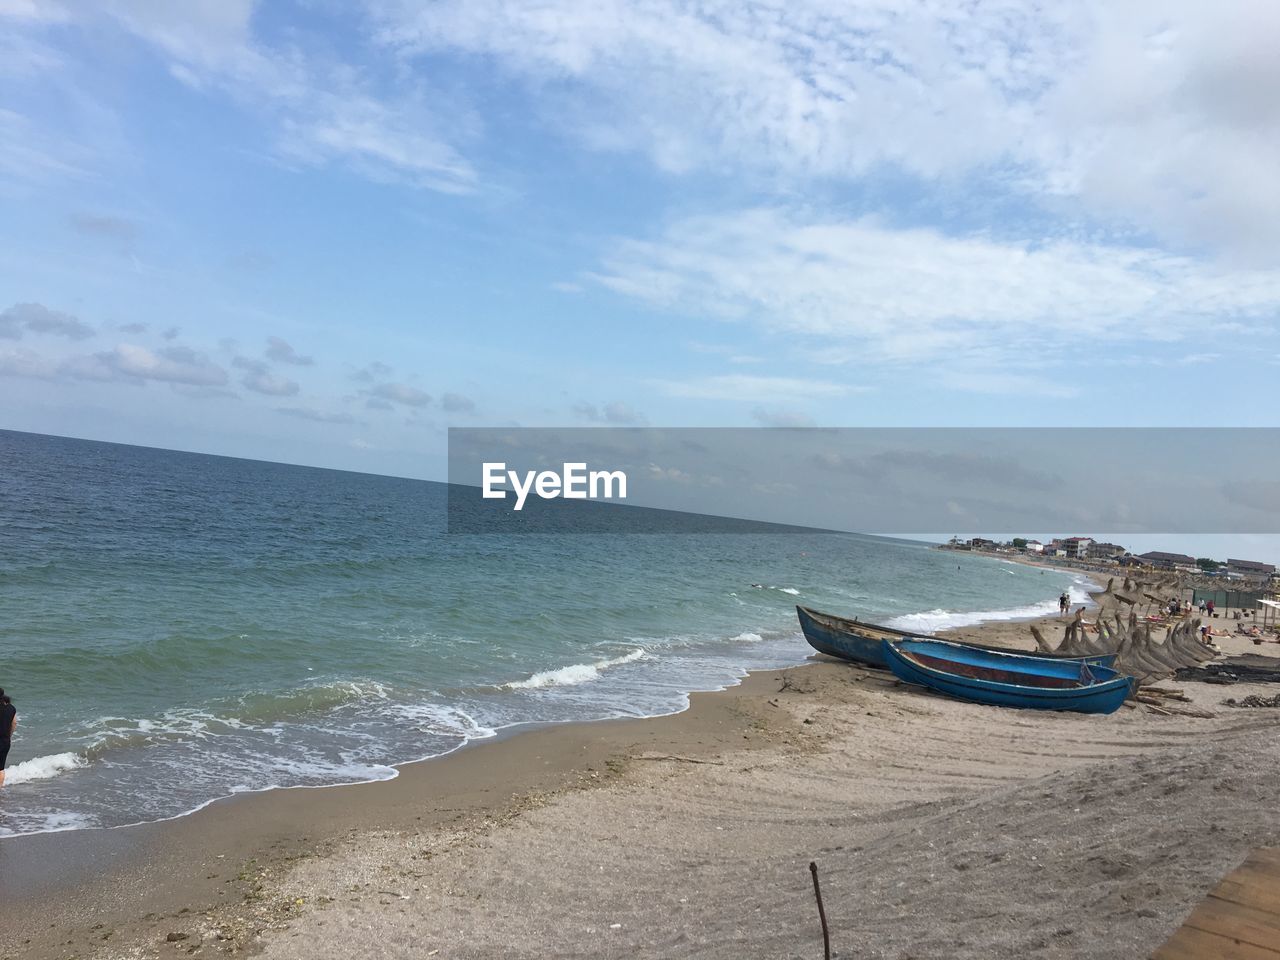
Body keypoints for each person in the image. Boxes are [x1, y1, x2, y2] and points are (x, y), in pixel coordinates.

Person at [0, 690, 15, 789]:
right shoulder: (11, 708)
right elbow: (14, 724)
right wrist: (9, 736)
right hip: (5, 741)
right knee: (0, 768)